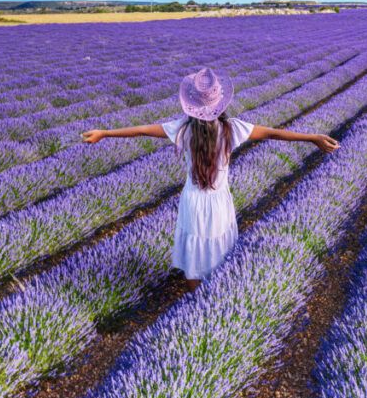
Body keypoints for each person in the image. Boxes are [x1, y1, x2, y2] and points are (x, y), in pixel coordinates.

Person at [81, 67, 340, 290]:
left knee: (194, 252)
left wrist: (105, 133)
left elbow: (140, 131)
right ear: (220, 103)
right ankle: (216, 294)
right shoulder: (232, 128)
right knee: (219, 247)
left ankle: (195, 297)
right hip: (218, 201)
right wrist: (313, 138)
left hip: (193, 200)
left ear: (191, 105)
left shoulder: (182, 129)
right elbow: (274, 133)